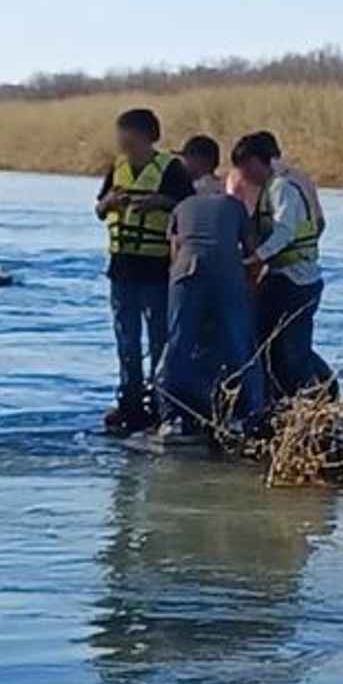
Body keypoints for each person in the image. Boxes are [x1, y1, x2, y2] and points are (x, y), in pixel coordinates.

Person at [95, 109, 195, 433]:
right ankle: (129, 403)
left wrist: (160, 203)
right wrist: (109, 201)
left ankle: (160, 403)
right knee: (126, 340)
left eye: (127, 134)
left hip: (156, 268)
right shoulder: (117, 167)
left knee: (159, 340)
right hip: (121, 268)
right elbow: (99, 209)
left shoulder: (171, 169)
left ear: (146, 136)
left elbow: (189, 209)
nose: (122, 141)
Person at [152, 192, 266, 444]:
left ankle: (171, 418)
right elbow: (252, 251)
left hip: (185, 272)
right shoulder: (235, 206)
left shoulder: (181, 205)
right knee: (239, 346)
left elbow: (175, 253)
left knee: (177, 345)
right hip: (226, 273)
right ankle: (251, 416)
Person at [230, 132, 329, 400]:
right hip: (279, 277)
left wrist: (257, 257)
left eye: (247, 167)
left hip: (298, 280)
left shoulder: (282, 188)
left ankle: (313, 402)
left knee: (293, 349)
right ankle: (281, 399)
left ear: (262, 162)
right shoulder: (267, 190)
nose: (245, 175)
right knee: (268, 342)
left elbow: (284, 232)